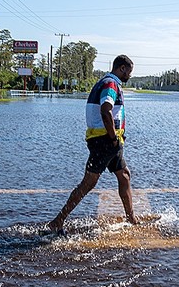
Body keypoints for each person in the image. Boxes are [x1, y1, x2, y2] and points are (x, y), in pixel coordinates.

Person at [47, 54, 135, 235]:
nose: (129, 75)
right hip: (105, 141)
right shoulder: (110, 84)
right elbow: (106, 110)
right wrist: (113, 138)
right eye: (129, 71)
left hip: (109, 141)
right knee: (88, 182)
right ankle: (58, 221)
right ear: (122, 68)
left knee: (124, 176)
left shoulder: (105, 82)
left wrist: (116, 138)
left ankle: (131, 218)